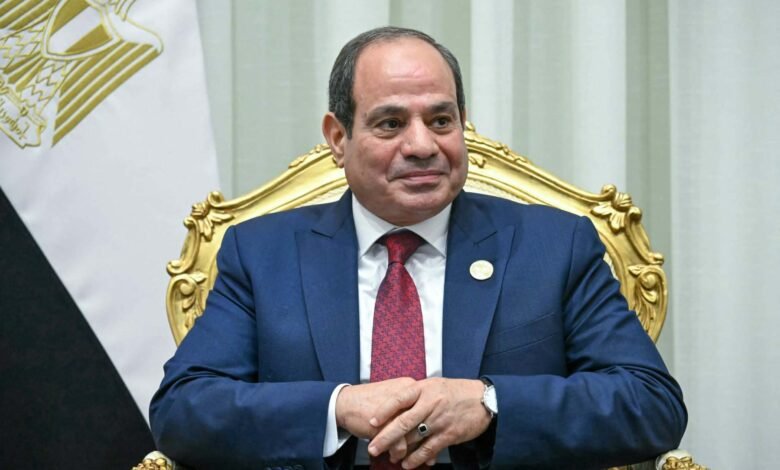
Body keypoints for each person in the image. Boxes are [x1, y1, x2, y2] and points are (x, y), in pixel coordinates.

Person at [150, 26, 686, 469]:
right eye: (390, 123)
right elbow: (183, 410)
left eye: (440, 120)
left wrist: (490, 404)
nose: (423, 145)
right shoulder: (263, 254)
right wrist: (336, 408)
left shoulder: (553, 246)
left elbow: (651, 403)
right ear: (338, 138)